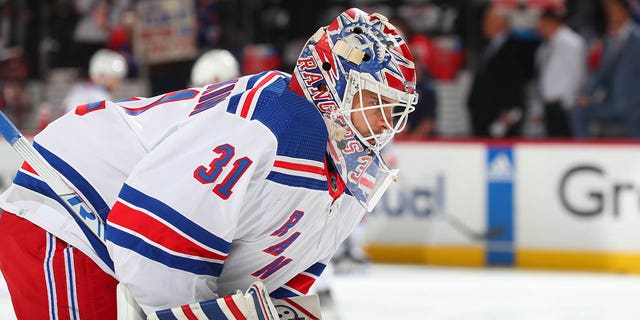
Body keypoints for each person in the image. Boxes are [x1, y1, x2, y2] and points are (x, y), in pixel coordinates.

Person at [0, 8, 418, 319]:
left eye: (394, 108)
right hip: (72, 208)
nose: (385, 121)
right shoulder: (269, 126)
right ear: (330, 80)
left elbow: (277, 284)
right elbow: (152, 243)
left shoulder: (346, 174)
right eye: (373, 100)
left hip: (123, 238)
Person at [571, 0, 640, 138]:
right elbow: (601, 73)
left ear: (624, 11)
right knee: (577, 111)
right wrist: (587, 94)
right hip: (611, 102)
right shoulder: (609, 40)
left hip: (633, 105)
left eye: (613, 10)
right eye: (608, 11)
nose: (610, 14)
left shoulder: (638, 39)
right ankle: (585, 154)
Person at [467, 6, 534, 138]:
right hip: (482, 115)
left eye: (487, 21)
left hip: (501, 119)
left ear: (500, 23)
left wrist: (510, 111)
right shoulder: (487, 47)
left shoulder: (515, 48)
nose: (483, 25)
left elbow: (515, 81)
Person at [535, 7, 586, 137]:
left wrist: (569, 101)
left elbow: (577, 73)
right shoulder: (544, 47)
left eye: (542, 24)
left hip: (565, 106)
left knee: (567, 143)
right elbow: (542, 78)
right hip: (549, 105)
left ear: (552, 22)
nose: (539, 28)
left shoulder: (571, 42)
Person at [59, 49, 128, 116]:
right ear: (103, 76)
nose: (118, 83)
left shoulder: (79, 90)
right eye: (116, 79)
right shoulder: (99, 98)